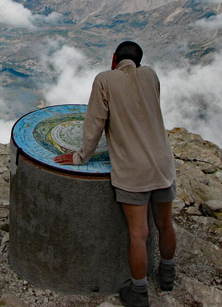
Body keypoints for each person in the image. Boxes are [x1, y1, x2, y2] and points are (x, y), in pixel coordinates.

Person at [53, 41, 176, 307]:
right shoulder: (151, 75)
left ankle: (139, 292)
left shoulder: (104, 80)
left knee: (138, 234)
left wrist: (80, 156)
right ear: (139, 62)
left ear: (113, 59)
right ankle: (167, 276)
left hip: (133, 171)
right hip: (163, 165)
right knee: (165, 224)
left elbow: (95, 121)